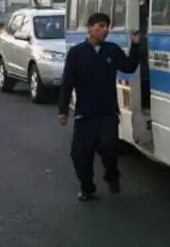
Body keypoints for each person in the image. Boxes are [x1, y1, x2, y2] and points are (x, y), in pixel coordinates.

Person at [57, 12, 141, 202]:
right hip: (85, 113)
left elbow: (129, 66)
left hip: (108, 112)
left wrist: (136, 45)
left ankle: (112, 175)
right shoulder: (77, 53)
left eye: (107, 27)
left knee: (108, 147)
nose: (105, 31)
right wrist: (63, 110)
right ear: (90, 28)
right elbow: (67, 82)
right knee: (80, 155)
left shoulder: (112, 50)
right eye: (101, 26)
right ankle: (87, 188)